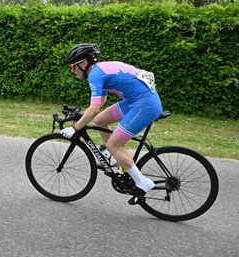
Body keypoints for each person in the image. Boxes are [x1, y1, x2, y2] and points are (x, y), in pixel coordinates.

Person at [61, 43, 163, 203]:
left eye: (72, 67)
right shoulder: (100, 69)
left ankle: (143, 182)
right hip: (137, 100)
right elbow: (99, 103)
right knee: (101, 120)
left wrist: (75, 128)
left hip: (145, 104)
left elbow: (94, 108)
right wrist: (83, 116)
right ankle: (111, 157)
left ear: (82, 63)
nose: (72, 71)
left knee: (113, 144)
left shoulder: (95, 75)